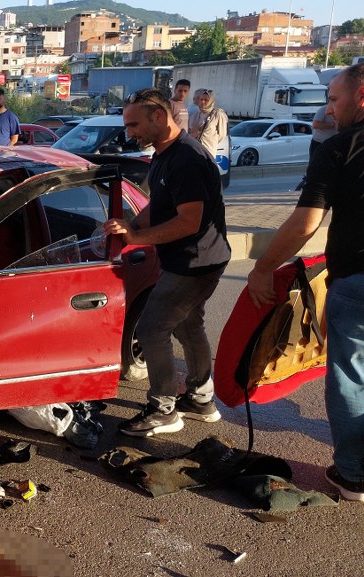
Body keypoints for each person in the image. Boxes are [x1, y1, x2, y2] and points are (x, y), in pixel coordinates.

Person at [246, 64, 364, 500]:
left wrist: (262, 269)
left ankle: (353, 475)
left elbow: (304, 223)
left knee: (352, 376)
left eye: (334, 100)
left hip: (357, 281)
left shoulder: (339, 148)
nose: (329, 110)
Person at [104, 88, 230, 437]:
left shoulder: (188, 159)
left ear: (159, 116)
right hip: (193, 258)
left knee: (151, 329)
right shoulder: (164, 153)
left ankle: (163, 410)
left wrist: (137, 238)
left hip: (195, 263)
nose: (129, 132)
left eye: (133, 125)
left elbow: (189, 222)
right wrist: (131, 225)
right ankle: (201, 400)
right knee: (188, 327)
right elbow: (159, 205)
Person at [189, 88, 228, 159]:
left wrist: (209, 140)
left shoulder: (217, 114)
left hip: (208, 152)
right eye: (201, 99)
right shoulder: (194, 116)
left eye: (206, 100)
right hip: (194, 151)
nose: (203, 102)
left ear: (211, 101)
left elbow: (222, 135)